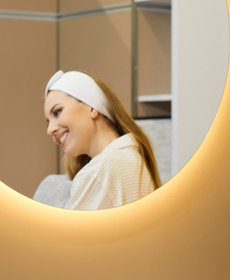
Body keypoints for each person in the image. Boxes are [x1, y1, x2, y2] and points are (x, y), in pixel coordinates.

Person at [43, 70, 161, 210]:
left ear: (92, 107)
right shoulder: (133, 157)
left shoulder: (100, 171)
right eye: (48, 122)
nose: (50, 130)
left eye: (58, 111)